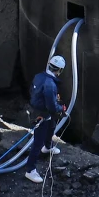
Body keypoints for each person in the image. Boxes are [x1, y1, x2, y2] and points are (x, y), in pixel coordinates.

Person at [24, 55, 67, 184]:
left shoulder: (39, 76)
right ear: (59, 70)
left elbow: (32, 91)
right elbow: (51, 106)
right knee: (38, 142)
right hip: (42, 113)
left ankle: (48, 147)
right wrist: (61, 108)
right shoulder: (50, 85)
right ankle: (30, 170)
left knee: (52, 126)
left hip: (38, 110)